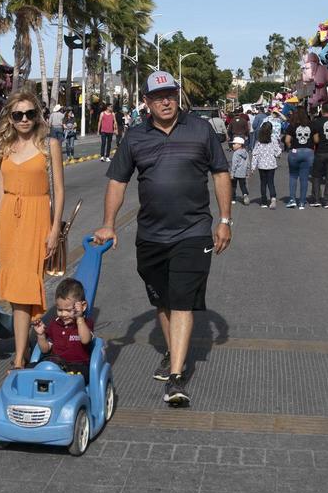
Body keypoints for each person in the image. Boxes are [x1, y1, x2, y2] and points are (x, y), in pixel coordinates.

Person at [95, 70, 231, 407]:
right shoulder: (135, 137)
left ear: (177, 95)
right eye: (157, 97)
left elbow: (220, 173)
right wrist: (108, 224)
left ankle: (175, 377)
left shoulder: (201, 130)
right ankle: (174, 353)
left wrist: (225, 219)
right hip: (151, 234)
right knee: (163, 300)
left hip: (194, 231)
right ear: (147, 102)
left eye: (170, 94)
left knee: (183, 300)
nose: (165, 101)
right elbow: (117, 181)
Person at [0, 90, 65, 370]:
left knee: (27, 286)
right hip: (10, 223)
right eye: (18, 115)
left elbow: (60, 192)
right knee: (16, 292)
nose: (24, 119)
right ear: (10, 119)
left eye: (29, 113)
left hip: (37, 217)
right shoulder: (5, 147)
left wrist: (53, 230)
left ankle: (18, 357)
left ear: (37, 115)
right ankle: (22, 349)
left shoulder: (49, 145)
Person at [31, 276, 92, 374]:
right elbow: (45, 350)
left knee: (71, 377)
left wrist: (79, 318)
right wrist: (41, 335)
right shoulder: (55, 324)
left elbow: (85, 340)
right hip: (56, 365)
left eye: (68, 310)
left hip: (77, 367)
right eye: (59, 310)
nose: (63, 314)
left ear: (83, 306)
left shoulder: (85, 323)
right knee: (32, 367)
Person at [283, 107, 315, 210]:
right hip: (308, 152)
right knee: (304, 178)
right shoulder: (311, 125)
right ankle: (302, 202)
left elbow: (287, 140)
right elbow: (316, 139)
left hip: (295, 152)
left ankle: (292, 199)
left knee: (293, 176)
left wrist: (290, 147)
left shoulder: (292, 126)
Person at [252, 121, 282, 209]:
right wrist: (278, 155)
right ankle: (273, 198)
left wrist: (253, 167)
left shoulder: (259, 141)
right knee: (271, 182)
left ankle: (264, 201)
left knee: (263, 183)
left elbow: (255, 154)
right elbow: (277, 151)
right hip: (271, 165)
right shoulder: (273, 140)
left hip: (261, 165)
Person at [229, 136, 251, 204]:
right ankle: (245, 195)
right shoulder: (246, 153)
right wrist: (247, 171)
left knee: (233, 186)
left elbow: (234, 164)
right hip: (243, 173)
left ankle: (233, 199)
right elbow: (248, 163)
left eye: (234, 144)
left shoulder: (236, 153)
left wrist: (232, 173)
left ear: (239, 145)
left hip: (236, 173)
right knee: (242, 185)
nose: (233, 145)